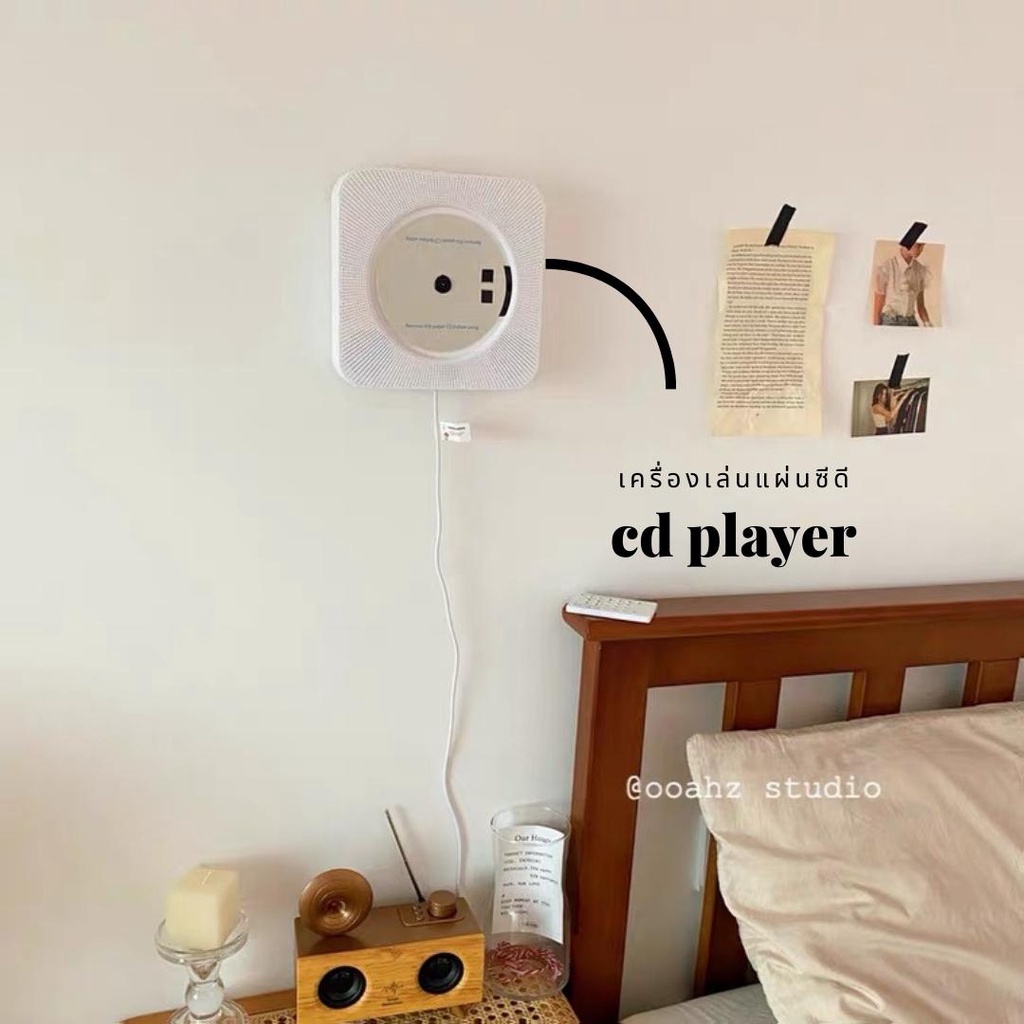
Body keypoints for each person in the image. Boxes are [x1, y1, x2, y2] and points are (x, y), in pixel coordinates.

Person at [872, 243, 933, 326]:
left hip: (911, 322)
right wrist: (876, 329)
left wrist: (928, 324)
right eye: (918, 245)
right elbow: (877, 306)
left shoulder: (920, 270)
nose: (921, 250)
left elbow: (921, 306)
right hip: (890, 321)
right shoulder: (887, 267)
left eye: (922, 246)